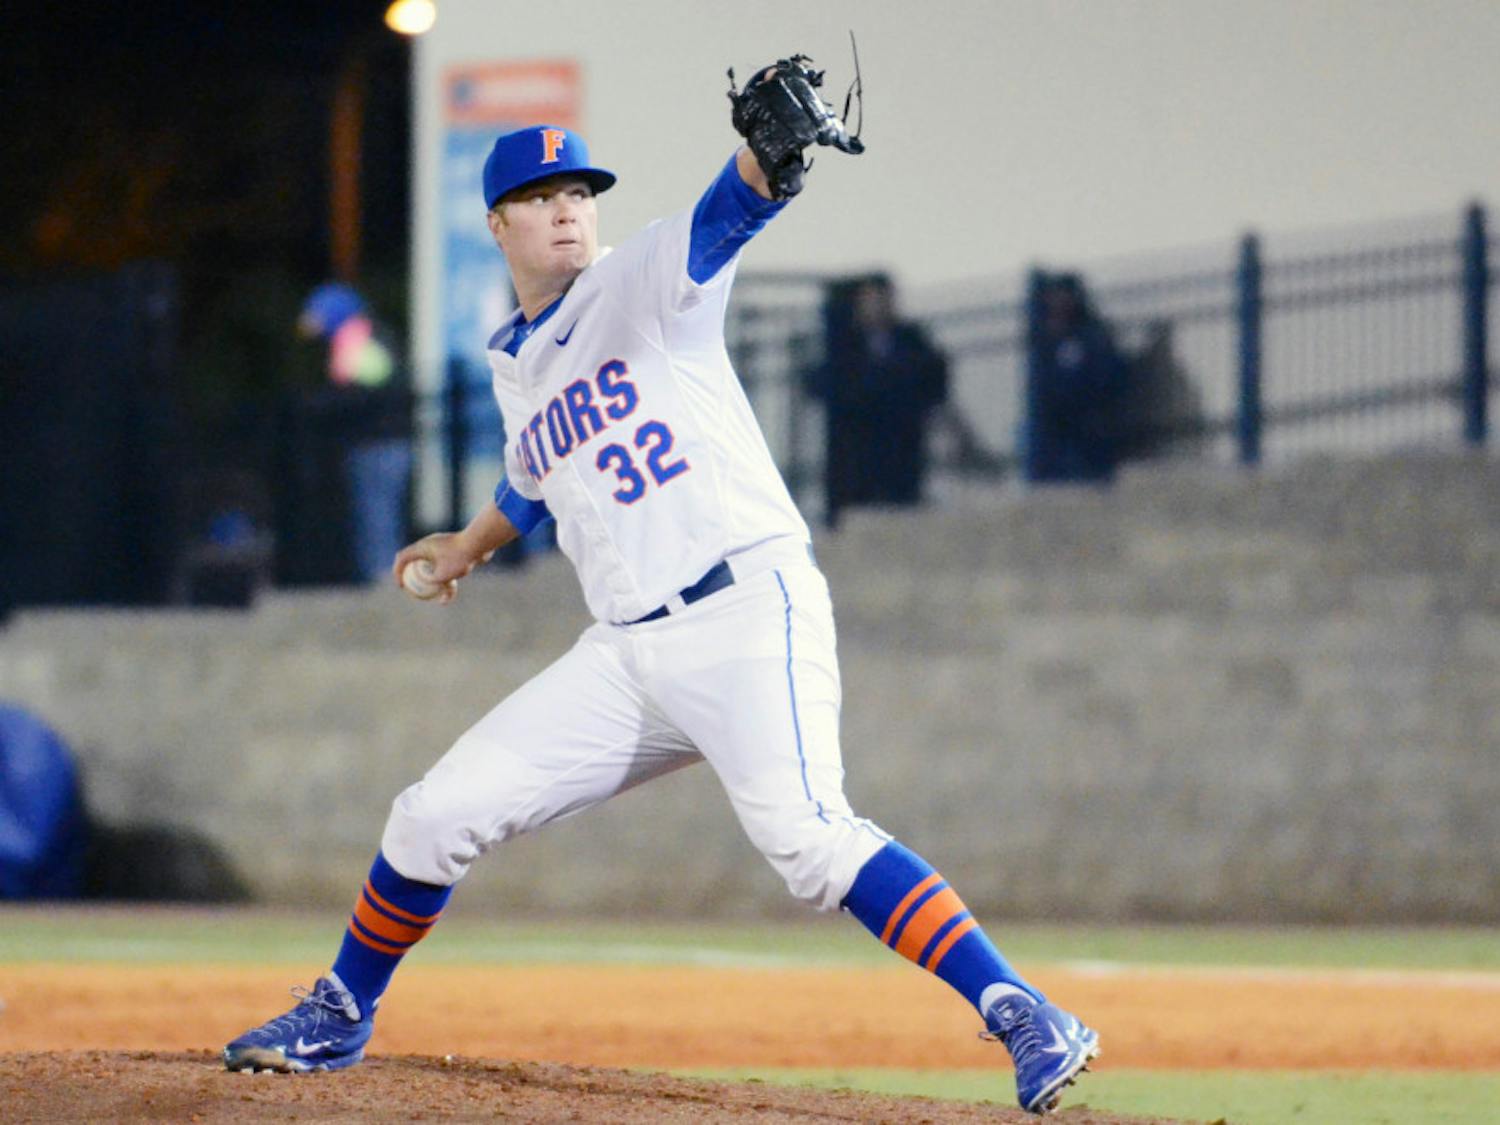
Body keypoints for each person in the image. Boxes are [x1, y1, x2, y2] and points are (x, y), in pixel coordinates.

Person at [224, 70, 1099, 1116]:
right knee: (431, 816)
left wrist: (771, 160)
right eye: (544, 199)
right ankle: (340, 1012)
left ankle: (1020, 1008)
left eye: (580, 195)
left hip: (742, 611)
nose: (567, 212)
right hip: (628, 655)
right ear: (498, 224)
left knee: (810, 842)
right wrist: (472, 541)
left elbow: (729, 212)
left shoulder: (639, 281)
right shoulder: (516, 360)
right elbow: (537, 472)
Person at [809, 274, 979, 528]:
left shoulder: (911, 339)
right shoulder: (845, 345)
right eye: (871, 300)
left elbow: (932, 378)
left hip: (901, 441)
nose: (879, 306)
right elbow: (827, 384)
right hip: (859, 446)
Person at [298, 282, 412, 583]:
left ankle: (384, 579)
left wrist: (325, 404)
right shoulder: (367, 337)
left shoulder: (357, 341)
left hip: (377, 446)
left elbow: (363, 392)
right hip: (384, 444)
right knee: (378, 515)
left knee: (377, 516)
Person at [1023, 273, 1129, 485]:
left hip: (1087, 426)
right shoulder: (1044, 339)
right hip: (1054, 430)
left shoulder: (1091, 335)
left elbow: (1107, 375)